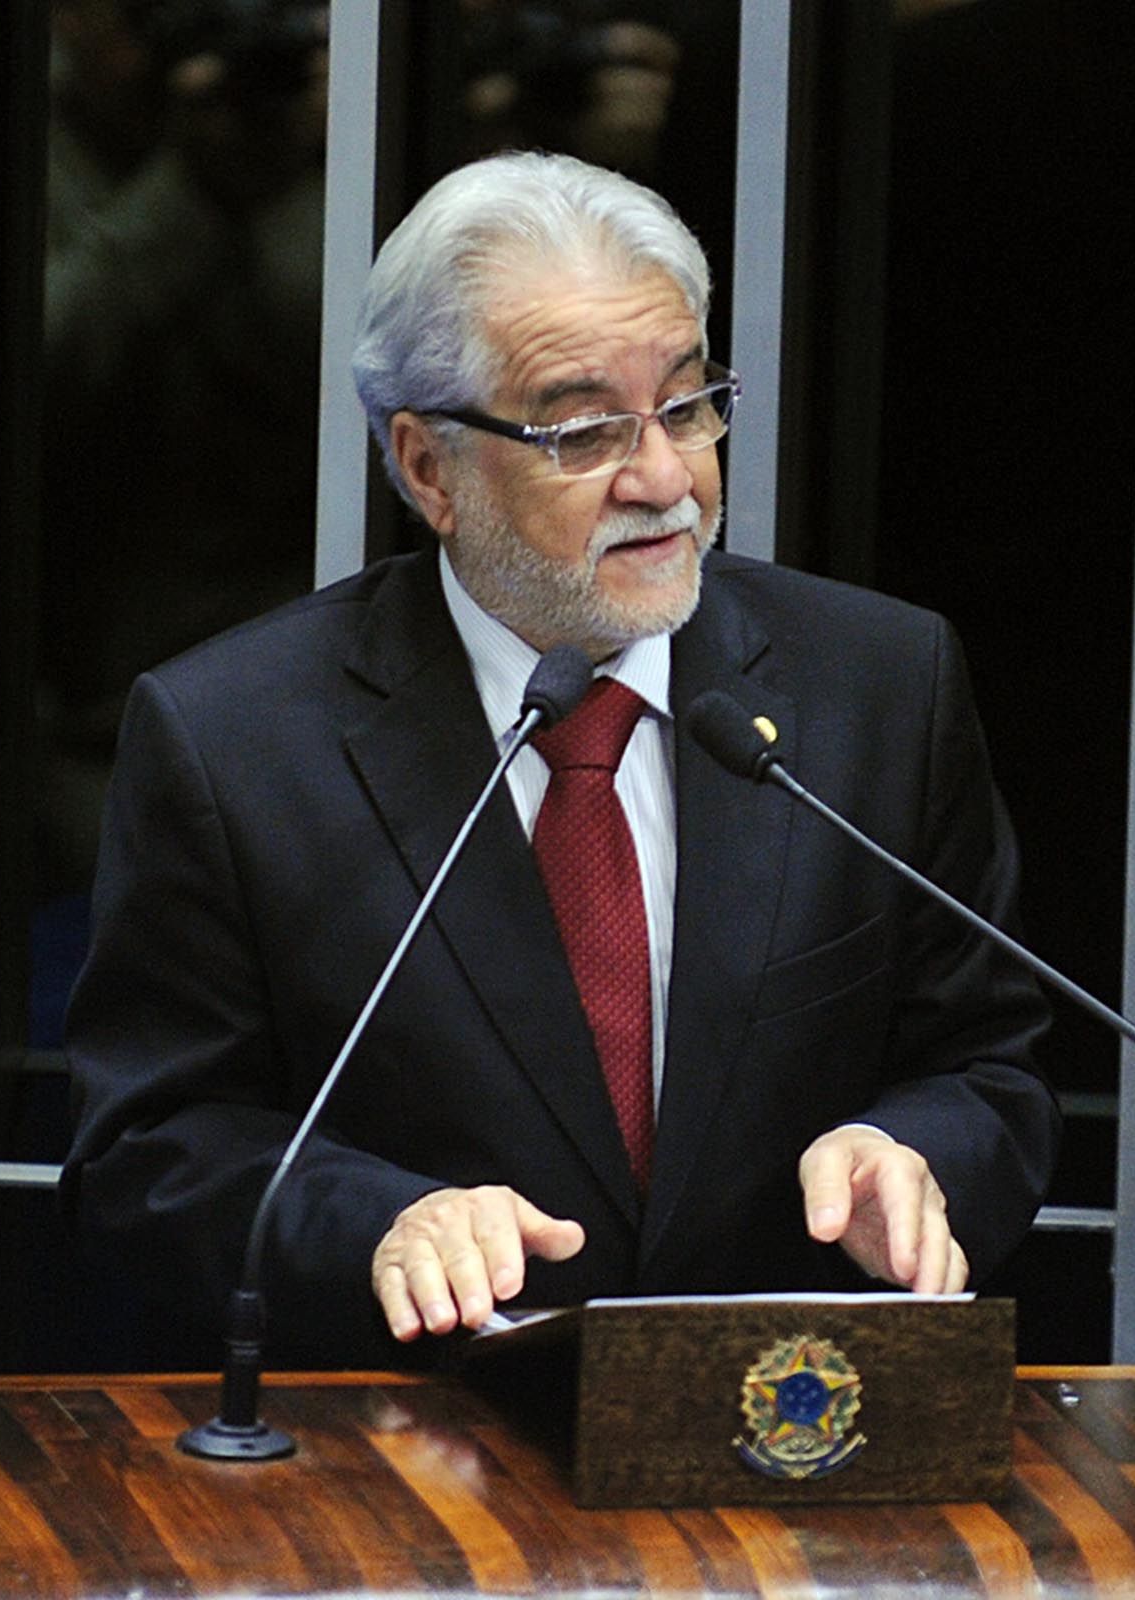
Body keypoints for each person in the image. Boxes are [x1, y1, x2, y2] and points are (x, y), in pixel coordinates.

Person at [61, 150, 1059, 1365]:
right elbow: (150, 1144)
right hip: (413, 1469)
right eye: (585, 429)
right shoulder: (232, 739)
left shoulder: (880, 686)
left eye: (687, 407)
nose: (665, 479)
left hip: (790, 1446)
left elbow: (985, 1067)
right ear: (429, 467)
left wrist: (914, 1155)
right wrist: (379, 1221)